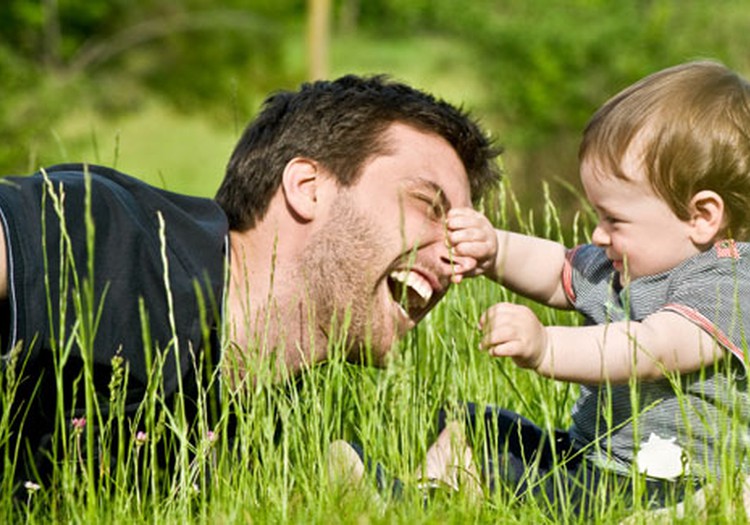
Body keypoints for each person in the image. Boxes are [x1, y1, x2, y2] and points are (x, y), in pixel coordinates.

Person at [0, 74, 501, 484]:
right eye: (429, 207)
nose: (461, 256)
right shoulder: (114, 240)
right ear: (308, 188)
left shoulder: (294, 428)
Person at [432, 60, 750, 515]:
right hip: (591, 456)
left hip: (661, 482)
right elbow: (557, 266)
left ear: (701, 217)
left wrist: (546, 347)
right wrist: (494, 249)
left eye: (614, 219)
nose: (598, 234)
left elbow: (651, 348)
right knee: (472, 423)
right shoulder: (625, 263)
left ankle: (417, 495)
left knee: (510, 474)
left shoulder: (730, 283)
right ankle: (425, 497)